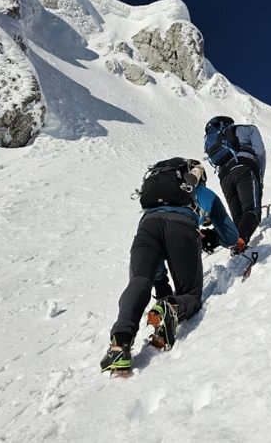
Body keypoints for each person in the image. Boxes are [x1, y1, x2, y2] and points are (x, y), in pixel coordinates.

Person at [100, 158, 238, 376]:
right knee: (190, 295)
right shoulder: (205, 194)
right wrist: (212, 236)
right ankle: (172, 308)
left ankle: (120, 343)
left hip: (147, 227)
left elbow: (155, 260)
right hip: (182, 229)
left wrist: (161, 284)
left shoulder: (154, 199)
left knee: (139, 281)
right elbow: (231, 236)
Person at [203, 116, 266, 253]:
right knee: (252, 210)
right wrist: (260, 175)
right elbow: (260, 152)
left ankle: (232, 243)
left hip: (224, 176)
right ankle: (235, 240)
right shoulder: (248, 129)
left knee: (238, 216)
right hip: (244, 167)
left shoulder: (215, 140)